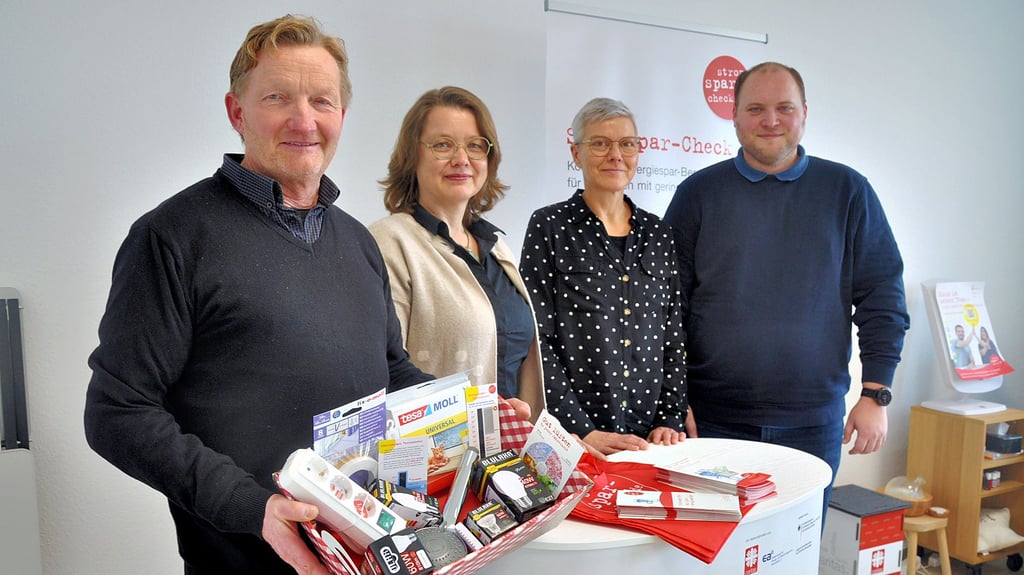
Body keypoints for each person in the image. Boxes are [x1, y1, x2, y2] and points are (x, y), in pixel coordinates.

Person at [83, 16, 433, 575]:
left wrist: (472, 414)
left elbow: (390, 371)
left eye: (322, 100)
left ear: (341, 115)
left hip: (369, 552)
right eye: (277, 97)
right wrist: (255, 508)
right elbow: (116, 412)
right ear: (236, 112)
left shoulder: (359, 242)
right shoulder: (171, 237)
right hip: (243, 560)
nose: (304, 119)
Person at [663, 62, 910, 515]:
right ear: (734, 115)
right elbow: (665, 309)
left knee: (794, 554)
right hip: (712, 422)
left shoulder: (848, 191)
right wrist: (672, 402)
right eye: (755, 108)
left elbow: (882, 297)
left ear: (804, 113)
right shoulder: (698, 194)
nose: (770, 120)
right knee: (713, 557)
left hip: (812, 424)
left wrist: (876, 394)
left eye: (784, 108)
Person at [519, 97, 690, 456]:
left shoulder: (659, 234)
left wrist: (670, 418)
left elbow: (673, 334)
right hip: (579, 441)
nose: (616, 155)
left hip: (652, 440)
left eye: (627, 144)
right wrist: (579, 429)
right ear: (576, 153)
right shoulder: (549, 227)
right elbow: (537, 339)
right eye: (600, 143)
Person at [369, 86, 545, 419]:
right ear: (412, 155)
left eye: (475, 146)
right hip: (439, 458)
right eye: (443, 145)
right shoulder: (390, 242)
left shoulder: (496, 247)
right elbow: (387, 371)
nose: (461, 159)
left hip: (510, 455)